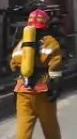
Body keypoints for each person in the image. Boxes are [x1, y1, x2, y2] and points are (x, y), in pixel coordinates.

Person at [9, 9, 63, 139]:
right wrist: (56, 84)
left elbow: (13, 65)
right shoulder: (50, 42)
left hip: (23, 91)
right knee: (50, 128)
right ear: (45, 24)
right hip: (43, 91)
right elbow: (55, 64)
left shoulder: (22, 43)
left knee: (23, 129)